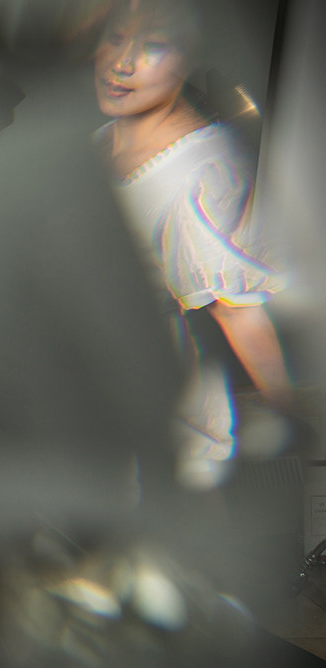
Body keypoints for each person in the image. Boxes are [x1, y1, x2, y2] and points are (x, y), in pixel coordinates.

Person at [92, 0, 290, 489]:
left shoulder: (193, 175)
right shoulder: (100, 141)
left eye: (154, 45)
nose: (122, 63)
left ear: (191, 55)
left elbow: (237, 311)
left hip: (168, 419)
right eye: (116, 37)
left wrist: (291, 412)